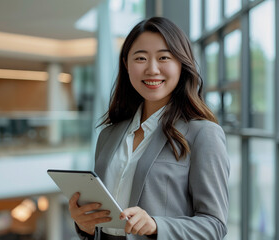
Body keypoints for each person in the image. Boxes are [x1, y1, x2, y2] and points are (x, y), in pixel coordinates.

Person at [68, 16, 230, 240]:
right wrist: (86, 225)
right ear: (126, 64)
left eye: (164, 57)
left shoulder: (203, 133)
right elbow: (104, 222)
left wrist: (156, 225)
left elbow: (214, 225)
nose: (152, 69)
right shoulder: (109, 134)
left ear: (181, 64)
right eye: (141, 58)